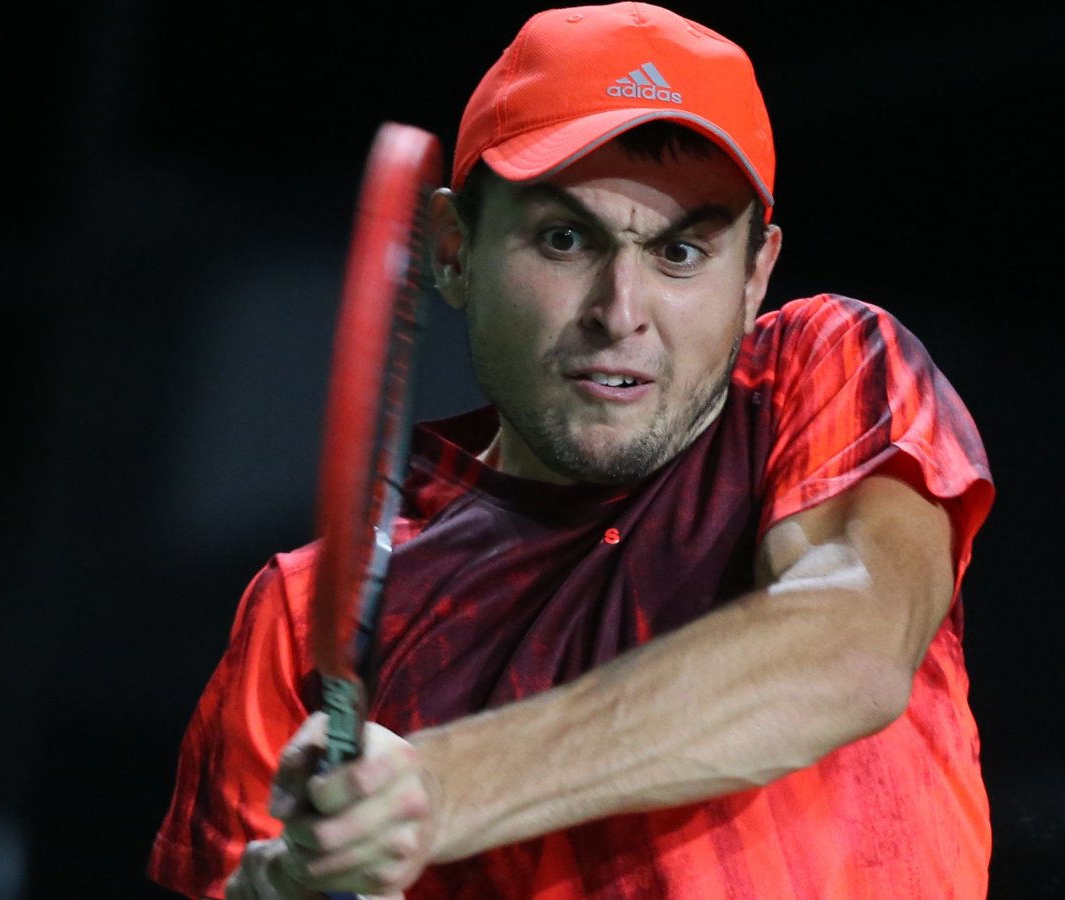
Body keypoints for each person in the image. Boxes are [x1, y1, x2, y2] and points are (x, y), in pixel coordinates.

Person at [148, 3, 995, 897]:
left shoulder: (822, 375)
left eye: (680, 252)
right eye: (565, 239)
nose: (620, 311)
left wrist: (443, 787)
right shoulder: (299, 615)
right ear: (454, 251)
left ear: (755, 276)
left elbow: (848, 651)